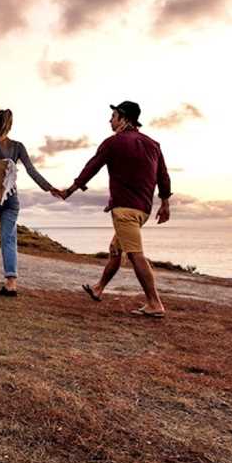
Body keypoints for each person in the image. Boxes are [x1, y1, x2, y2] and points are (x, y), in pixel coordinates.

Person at [60, 101, 172, 317]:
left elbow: (91, 167)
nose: (110, 120)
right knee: (115, 250)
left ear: (124, 118)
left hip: (125, 211)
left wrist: (70, 191)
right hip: (143, 211)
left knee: (135, 255)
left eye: (113, 116)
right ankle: (98, 288)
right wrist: (165, 203)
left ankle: (155, 303)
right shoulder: (153, 145)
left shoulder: (113, 143)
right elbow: (163, 176)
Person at [0, 109, 63, 296]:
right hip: (11, 198)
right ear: (10, 125)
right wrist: (49, 188)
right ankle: (11, 282)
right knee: (9, 239)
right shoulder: (18, 147)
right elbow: (31, 171)